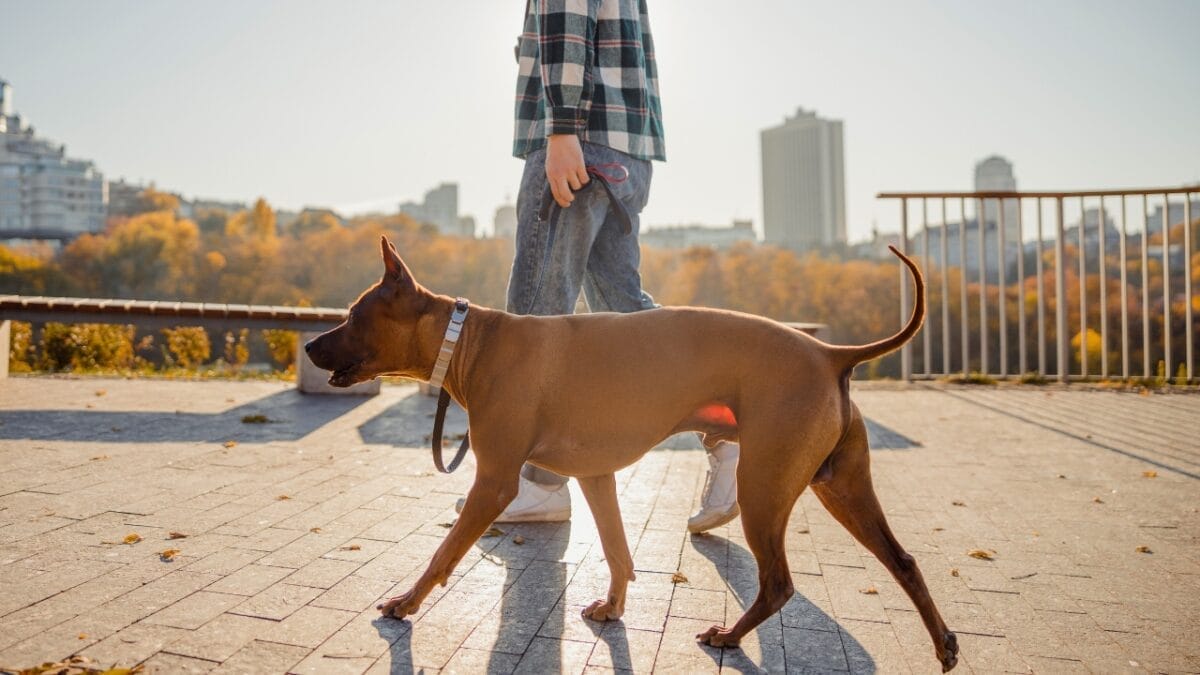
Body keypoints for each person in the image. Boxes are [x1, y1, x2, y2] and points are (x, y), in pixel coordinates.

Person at [460, 0, 739, 533]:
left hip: (579, 140)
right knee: (629, 316)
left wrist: (561, 127)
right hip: (625, 146)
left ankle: (537, 486)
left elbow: (565, 23)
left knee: (534, 318)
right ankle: (729, 434)